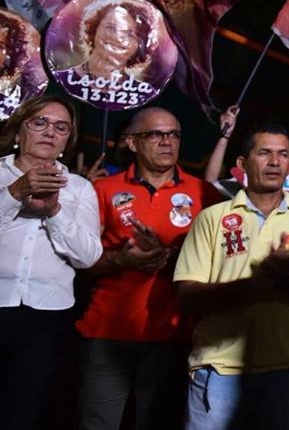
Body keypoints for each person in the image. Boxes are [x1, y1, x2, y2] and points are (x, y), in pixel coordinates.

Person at [174, 123, 289, 430]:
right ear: (242, 164)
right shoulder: (213, 217)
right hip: (219, 368)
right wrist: (254, 285)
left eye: (282, 154)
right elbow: (186, 296)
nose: (274, 161)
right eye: (264, 152)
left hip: (286, 368)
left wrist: (283, 278)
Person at [75, 107, 222, 430]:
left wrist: (168, 255)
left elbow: (217, 266)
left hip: (173, 334)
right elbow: (80, 261)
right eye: (155, 134)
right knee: (97, 423)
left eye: (174, 134)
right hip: (107, 331)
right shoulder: (102, 190)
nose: (167, 141)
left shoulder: (204, 194)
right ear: (132, 142)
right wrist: (121, 260)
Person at [0, 95, 102, 429]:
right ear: (18, 129)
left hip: (47, 317)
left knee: (24, 413)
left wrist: (54, 212)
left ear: (66, 140)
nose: (50, 132)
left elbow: (88, 256)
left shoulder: (79, 188)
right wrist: (14, 193)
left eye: (61, 127)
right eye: (40, 122)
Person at [56, 2, 156, 103]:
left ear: (139, 45)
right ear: (94, 30)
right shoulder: (59, 82)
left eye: (130, 34)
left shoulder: (144, 96)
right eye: (111, 28)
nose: (117, 38)